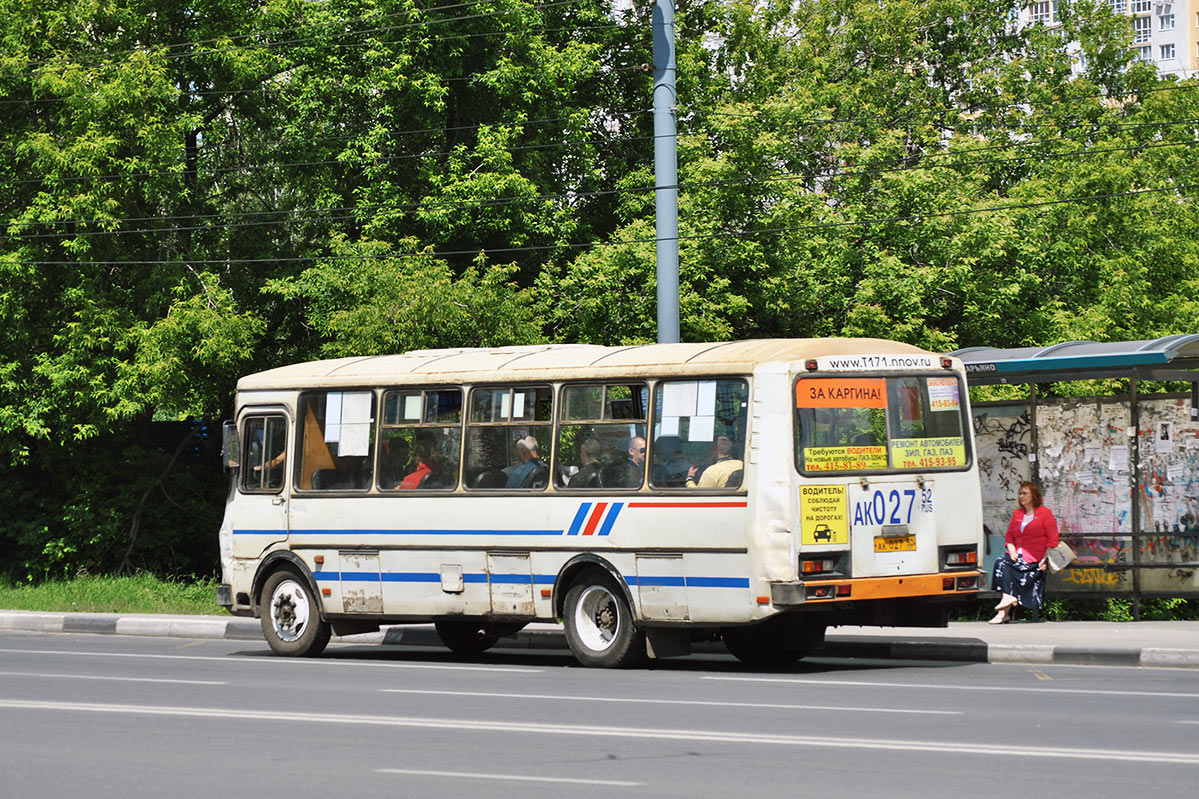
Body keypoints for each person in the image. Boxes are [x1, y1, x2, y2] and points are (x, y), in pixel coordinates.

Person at [990, 480, 1059, 624]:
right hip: (1017, 555)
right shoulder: (1017, 514)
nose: (1021, 496)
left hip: (1035, 558)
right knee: (1001, 562)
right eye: (1020, 493)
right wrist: (1012, 549)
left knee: (1006, 566)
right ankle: (1006, 604)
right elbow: (1009, 536)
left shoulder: (1044, 513)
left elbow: (1053, 539)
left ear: (1034, 495)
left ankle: (1003, 613)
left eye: (1025, 493)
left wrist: (1045, 560)